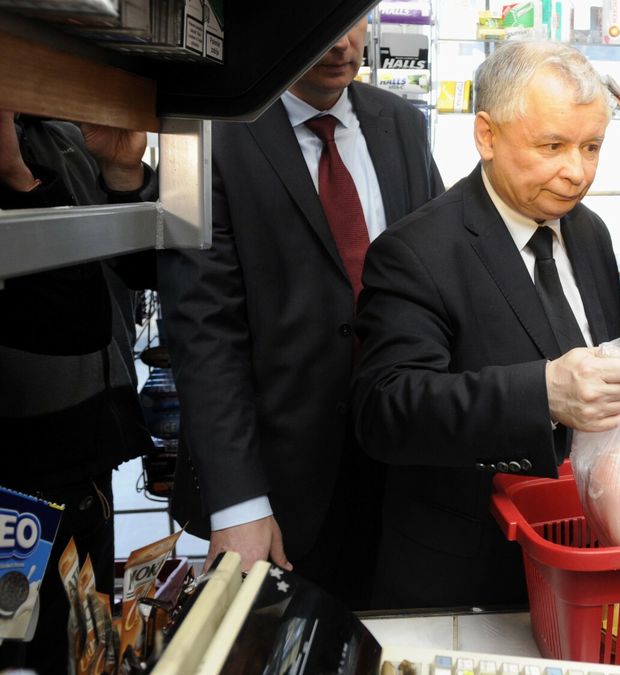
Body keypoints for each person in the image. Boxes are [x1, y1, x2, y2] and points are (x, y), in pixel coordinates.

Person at [352, 40, 620, 610]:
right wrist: (542, 393)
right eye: (552, 146)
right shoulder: (417, 251)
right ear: (487, 135)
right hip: (470, 573)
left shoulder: (587, 230)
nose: (576, 172)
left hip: (586, 554)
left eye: (592, 147)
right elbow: (387, 407)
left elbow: (605, 332)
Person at [157, 16, 443, 610]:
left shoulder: (402, 126)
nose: (339, 43)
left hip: (401, 472)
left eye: (353, 19)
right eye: (319, 20)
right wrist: (239, 502)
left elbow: (439, 278)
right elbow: (203, 329)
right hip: (276, 490)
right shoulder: (210, 135)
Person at [0, 112, 156, 674]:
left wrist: (123, 172)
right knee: (26, 649)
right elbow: (68, 318)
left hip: (92, 448)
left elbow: (142, 267)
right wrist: (16, 179)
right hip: (23, 466)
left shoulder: (61, 133)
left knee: (87, 646)